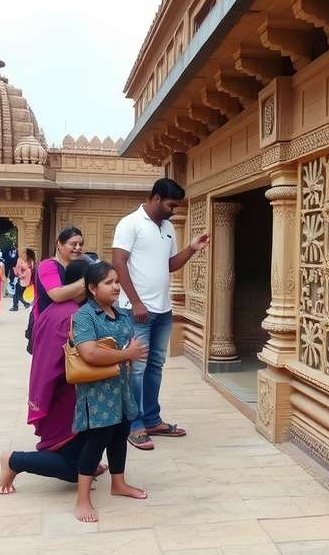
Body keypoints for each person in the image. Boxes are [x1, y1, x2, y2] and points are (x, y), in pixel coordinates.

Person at [112, 178, 210, 451]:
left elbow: (168, 265)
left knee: (155, 366)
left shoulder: (167, 228)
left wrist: (191, 248)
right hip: (136, 311)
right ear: (156, 198)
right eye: (171, 204)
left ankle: (152, 419)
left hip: (163, 310)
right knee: (137, 368)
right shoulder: (130, 223)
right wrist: (136, 302)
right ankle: (134, 425)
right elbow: (118, 262)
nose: (174, 210)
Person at [0, 258, 109, 494]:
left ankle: (83, 461)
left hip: (54, 393)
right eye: (106, 282)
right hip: (64, 398)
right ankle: (14, 460)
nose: (111, 288)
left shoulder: (58, 310)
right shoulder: (73, 317)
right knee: (74, 468)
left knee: (89, 450)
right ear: (86, 286)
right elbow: (79, 361)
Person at [70, 261, 148, 523]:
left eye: (116, 281)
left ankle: (119, 483)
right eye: (108, 283)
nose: (116, 287)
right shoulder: (84, 316)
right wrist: (127, 353)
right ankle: (82, 499)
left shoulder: (122, 314)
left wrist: (129, 354)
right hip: (97, 391)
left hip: (121, 387)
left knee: (120, 433)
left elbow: (128, 345)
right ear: (92, 288)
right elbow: (89, 352)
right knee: (97, 440)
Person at [25, 228, 85, 355]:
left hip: (72, 328)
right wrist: (87, 280)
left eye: (80, 244)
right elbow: (57, 295)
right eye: (73, 244)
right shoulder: (48, 265)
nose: (78, 248)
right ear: (59, 244)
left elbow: (79, 298)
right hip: (48, 327)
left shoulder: (79, 266)